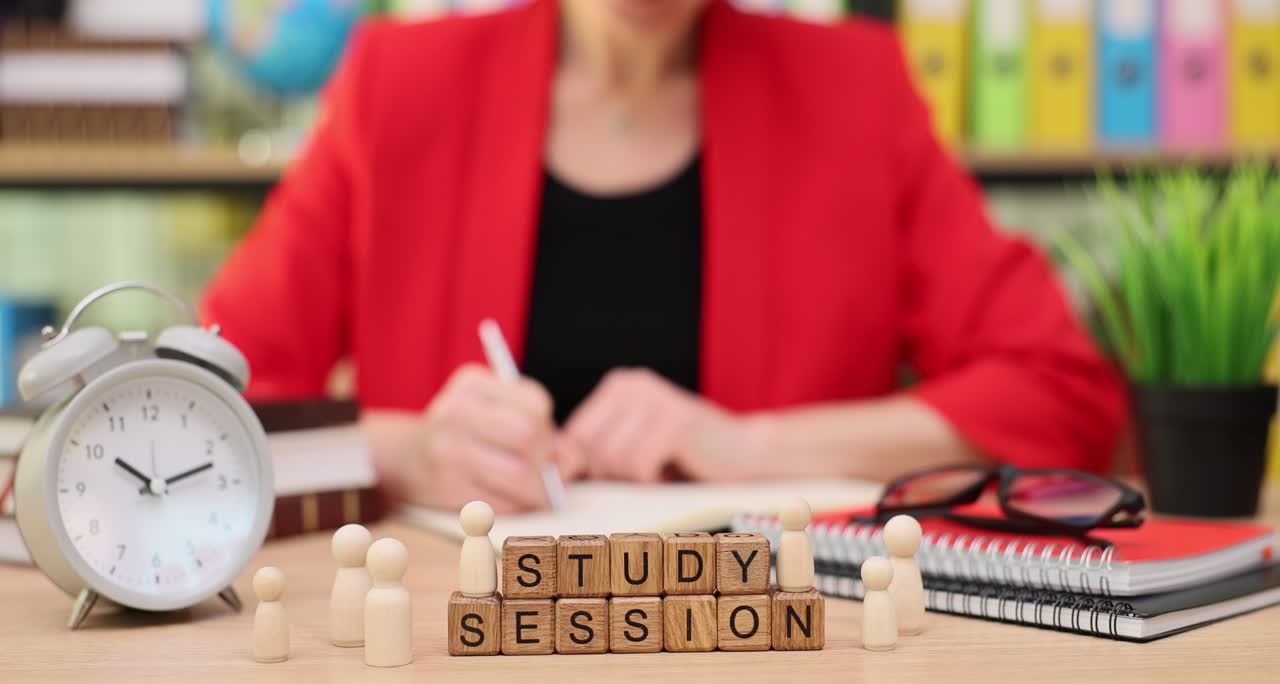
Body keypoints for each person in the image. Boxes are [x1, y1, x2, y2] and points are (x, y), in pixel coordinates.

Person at [202, 0, 1127, 513]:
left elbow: (1060, 392)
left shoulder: (855, 90)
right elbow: (201, 397)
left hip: (780, 654)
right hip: (445, 652)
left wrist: (753, 446)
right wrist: (405, 451)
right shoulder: (397, 84)